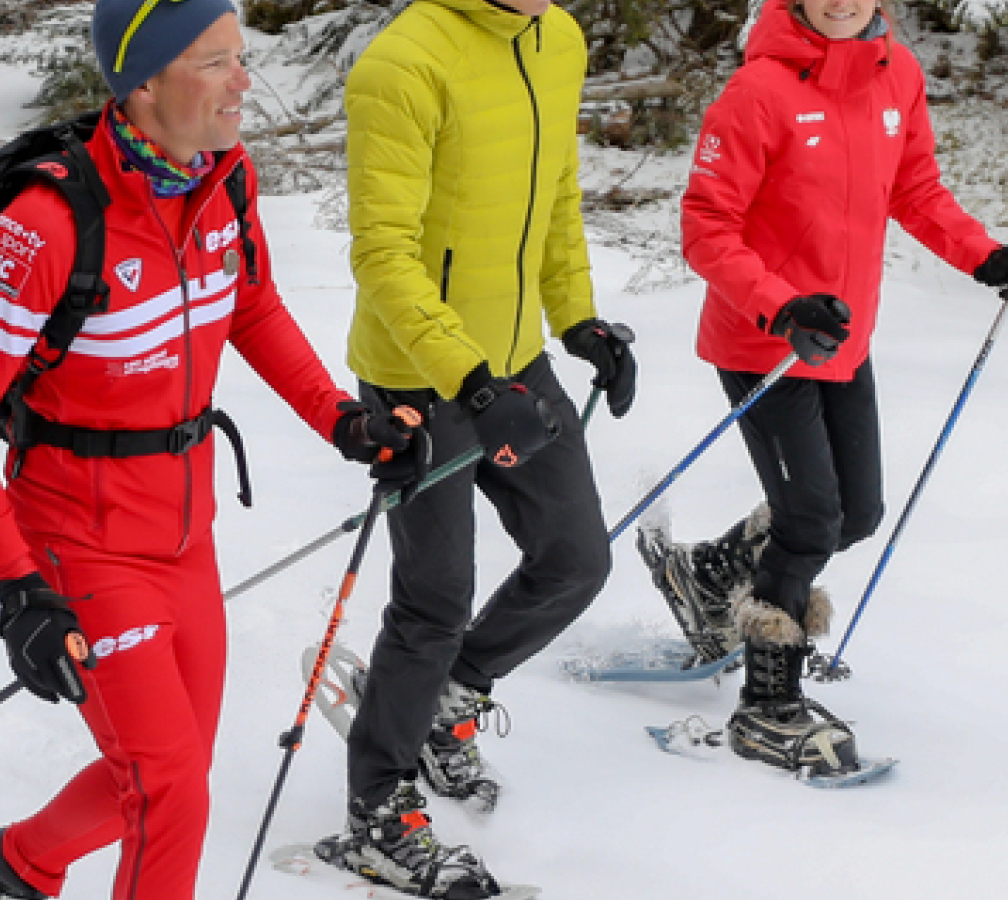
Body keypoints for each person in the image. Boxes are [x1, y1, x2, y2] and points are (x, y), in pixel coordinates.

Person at [0, 2, 424, 899]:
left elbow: (252, 306)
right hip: (78, 537)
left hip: (185, 530)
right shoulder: (47, 223)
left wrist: (343, 420)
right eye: (216, 63)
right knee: (173, 795)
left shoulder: (224, 179)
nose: (245, 81)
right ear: (142, 81)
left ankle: (13, 864)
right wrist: (18, 590)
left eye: (242, 58)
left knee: (168, 769)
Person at [637, 0, 1008, 777]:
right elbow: (707, 226)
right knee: (810, 516)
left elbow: (916, 189)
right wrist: (781, 303)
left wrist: (987, 258)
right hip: (765, 338)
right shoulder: (757, 91)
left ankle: (706, 575)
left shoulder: (897, 75)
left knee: (855, 513)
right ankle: (768, 709)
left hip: (844, 338)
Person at [327, 0, 638, 896]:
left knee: (577, 558)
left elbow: (558, 195)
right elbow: (383, 254)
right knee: (433, 598)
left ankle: (448, 699)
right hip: (420, 378)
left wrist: (577, 318)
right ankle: (376, 814)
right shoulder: (405, 63)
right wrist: (467, 382)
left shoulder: (557, 39)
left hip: (513, 358)